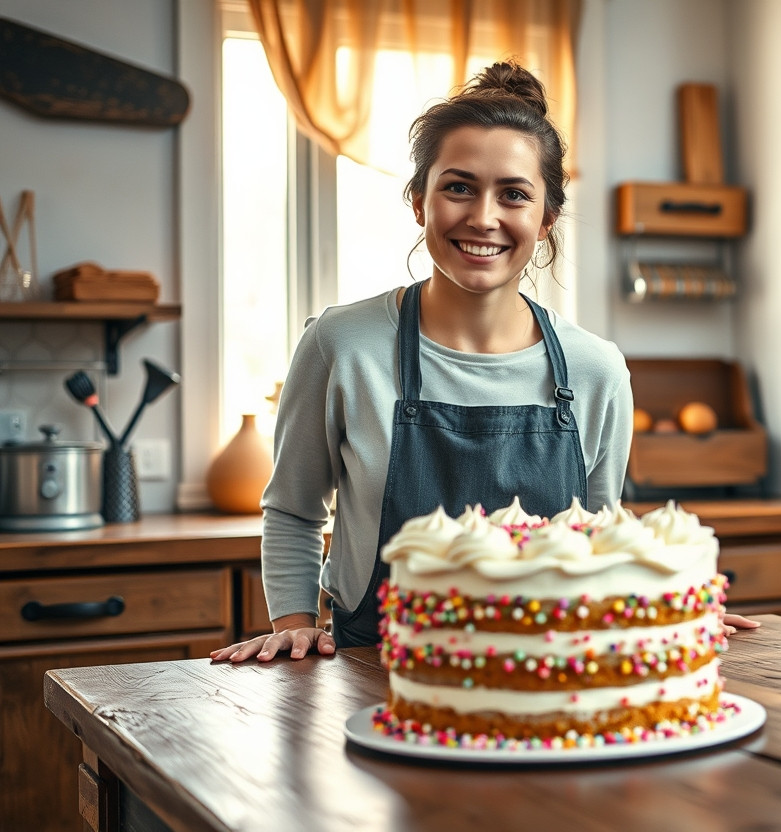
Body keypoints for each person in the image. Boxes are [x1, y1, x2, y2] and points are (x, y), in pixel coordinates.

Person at [213, 62, 711, 664]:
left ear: (546, 219)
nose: (483, 217)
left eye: (515, 194)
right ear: (419, 203)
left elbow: (601, 537)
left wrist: (671, 607)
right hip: (374, 669)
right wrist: (293, 623)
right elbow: (293, 508)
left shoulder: (596, 369)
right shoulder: (341, 344)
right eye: (458, 187)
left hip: (548, 672)